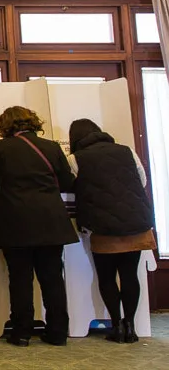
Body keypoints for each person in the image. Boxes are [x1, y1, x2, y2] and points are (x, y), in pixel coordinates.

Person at [0, 106, 77, 348]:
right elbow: (66, 182)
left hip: (15, 220)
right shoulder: (52, 147)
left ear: (4, 125)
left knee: (20, 278)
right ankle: (58, 332)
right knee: (52, 278)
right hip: (51, 220)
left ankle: (21, 332)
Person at [68, 119, 155, 344]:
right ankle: (131, 325)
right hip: (135, 222)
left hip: (102, 225)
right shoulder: (127, 151)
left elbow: (72, 189)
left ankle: (116, 324)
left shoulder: (76, 159)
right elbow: (142, 180)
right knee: (129, 275)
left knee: (106, 276)